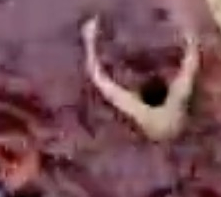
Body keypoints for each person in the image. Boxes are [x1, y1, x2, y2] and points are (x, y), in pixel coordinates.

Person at [81, 10, 200, 142]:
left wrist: (89, 39)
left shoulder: (137, 108)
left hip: (159, 133)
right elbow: (192, 61)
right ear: (168, 89)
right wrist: (188, 34)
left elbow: (98, 78)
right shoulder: (178, 94)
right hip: (174, 126)